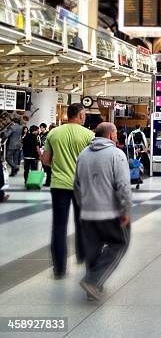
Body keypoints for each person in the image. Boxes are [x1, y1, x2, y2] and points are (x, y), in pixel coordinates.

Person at [73, 123, 131, 301]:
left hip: (88, 213)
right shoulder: (116, 154)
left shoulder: (83, 154)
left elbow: (76, 184)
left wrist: (84, 205)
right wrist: (125, 209)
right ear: (112, 135)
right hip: (110, 213)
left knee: (93, 250)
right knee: (120, 244)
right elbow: (122, 185)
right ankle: (93, 280)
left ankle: (92, 289)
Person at [42, 103, 94, 279]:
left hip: (59, 185)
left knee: (59, 226)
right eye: (84, 114)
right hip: (82, 185)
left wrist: (58, 166)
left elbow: (46, 159)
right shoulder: (89, 135)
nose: (84, 117)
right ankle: (82, 255)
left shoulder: (54, 133)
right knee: (83, 223)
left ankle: (59, 269)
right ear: (80, 115)